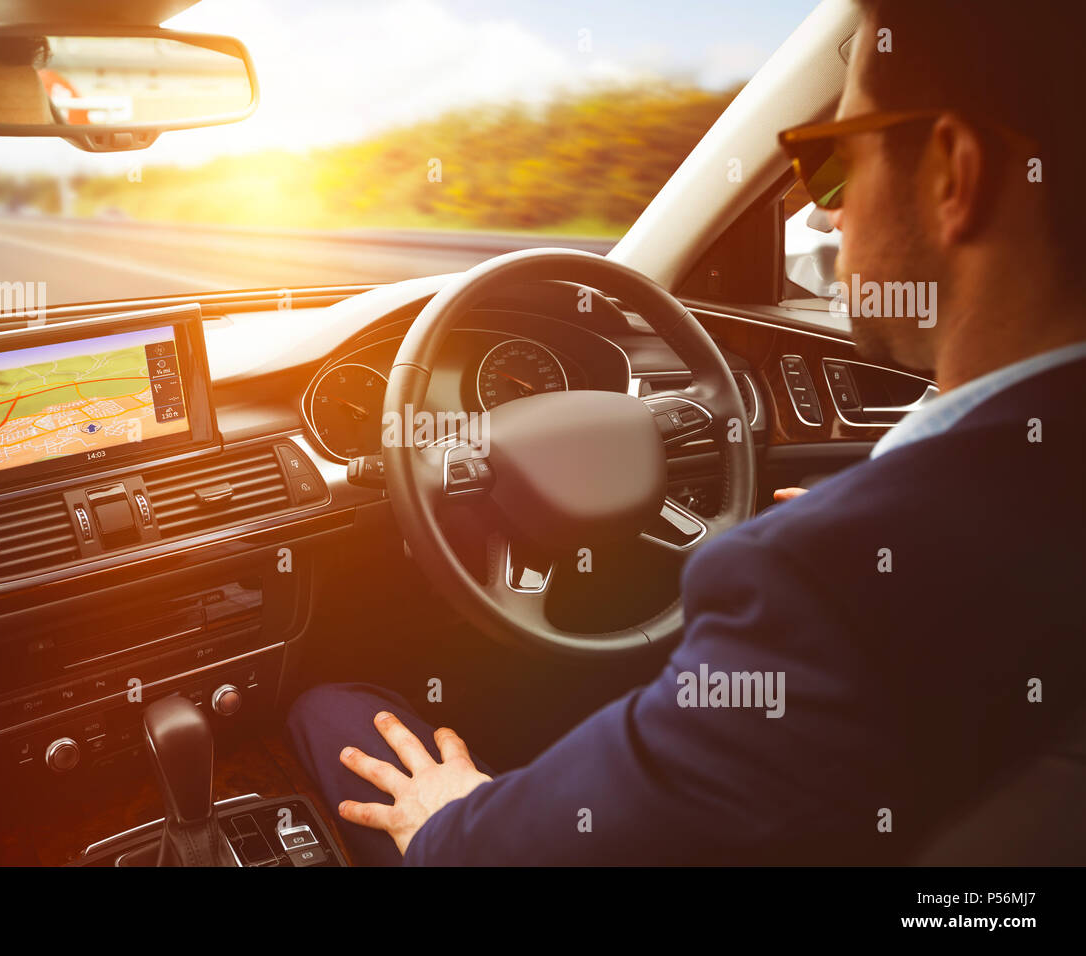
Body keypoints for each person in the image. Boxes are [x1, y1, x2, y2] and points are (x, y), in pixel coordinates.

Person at [287, 0, 1086, 865]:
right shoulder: (933, 532)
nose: (823, 217)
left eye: (832, 164)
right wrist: (854, 520)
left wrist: (450, 823)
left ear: (951, 177)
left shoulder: (838, 584)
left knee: (325, 708)